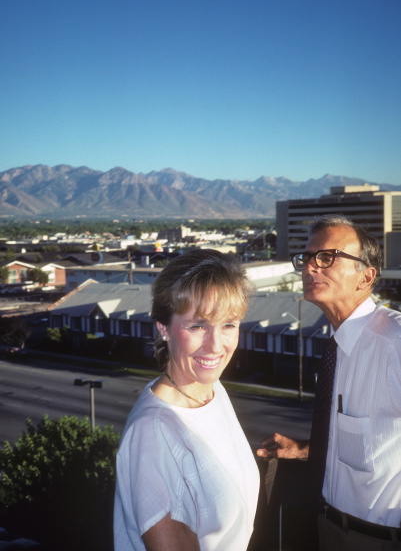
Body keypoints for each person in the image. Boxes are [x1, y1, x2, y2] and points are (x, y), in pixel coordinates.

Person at [257, 214, 401, 550]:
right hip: (325, 527)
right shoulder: (338, 342)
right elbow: (372, 440)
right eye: (306, 258)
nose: (309, 268)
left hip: (377, 540)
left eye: (327, 257)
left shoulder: (394, 342)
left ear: (365, 277)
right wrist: (307, 450)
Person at [114, 249, 260, 551]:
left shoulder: (212, 389)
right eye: (197, 326)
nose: (216, 345)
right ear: (163, 328)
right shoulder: (153, 430)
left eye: (229, 325)